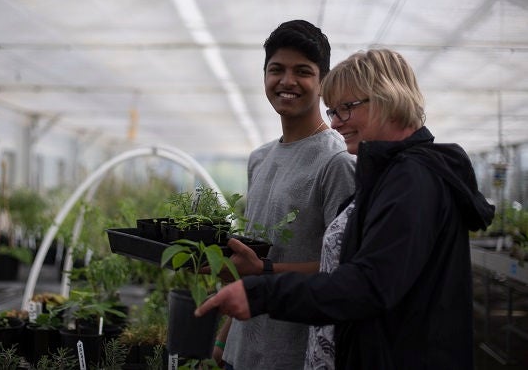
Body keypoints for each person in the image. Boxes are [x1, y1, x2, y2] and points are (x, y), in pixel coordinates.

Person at [196, 48, 495, 370]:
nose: (336, 123)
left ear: (387, 97)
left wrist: (262, 293)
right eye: (332, 111)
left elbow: (368, 284)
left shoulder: (413, 180)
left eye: (346, 109)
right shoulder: (387, 175)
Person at [214, 20, 356, 369]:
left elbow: (345, 271)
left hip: (294, 354)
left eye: (302, 71)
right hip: (242, 351)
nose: (287, 81)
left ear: (322, 82)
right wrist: (224, 336)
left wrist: (264, 269)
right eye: (276, 69)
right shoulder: (260, 158)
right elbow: (251, 256)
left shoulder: (337, 161)